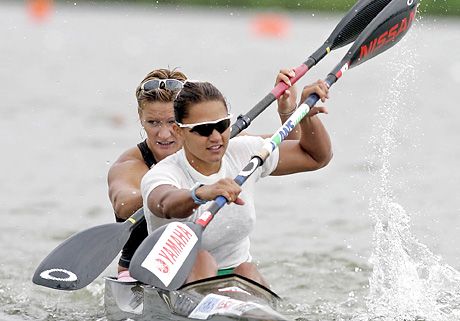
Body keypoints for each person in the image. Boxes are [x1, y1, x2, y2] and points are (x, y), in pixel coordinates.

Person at [107, 67, 306, 281]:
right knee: (200, 261)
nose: (164, 134)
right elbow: (124, 204)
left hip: (212, 266)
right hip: (144, 271)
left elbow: (292, 146)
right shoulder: (131, 164)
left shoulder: (221, 145)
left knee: (240, 269)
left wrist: (287, 110)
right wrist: (181, 191)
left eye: (172, 122)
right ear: (140, 118)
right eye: (153, 123)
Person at [140, 78, 332, 287]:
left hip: (236, 277)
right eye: (203, 129)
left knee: (247, 270)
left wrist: (306, 117)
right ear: (179, 131)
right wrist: (201, 193)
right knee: (201, 259)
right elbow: (163, 203)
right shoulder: (164, 173)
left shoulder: (245, 152)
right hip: (178, 279)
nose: (215, 137)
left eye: (222, 126)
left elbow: (315, 157)